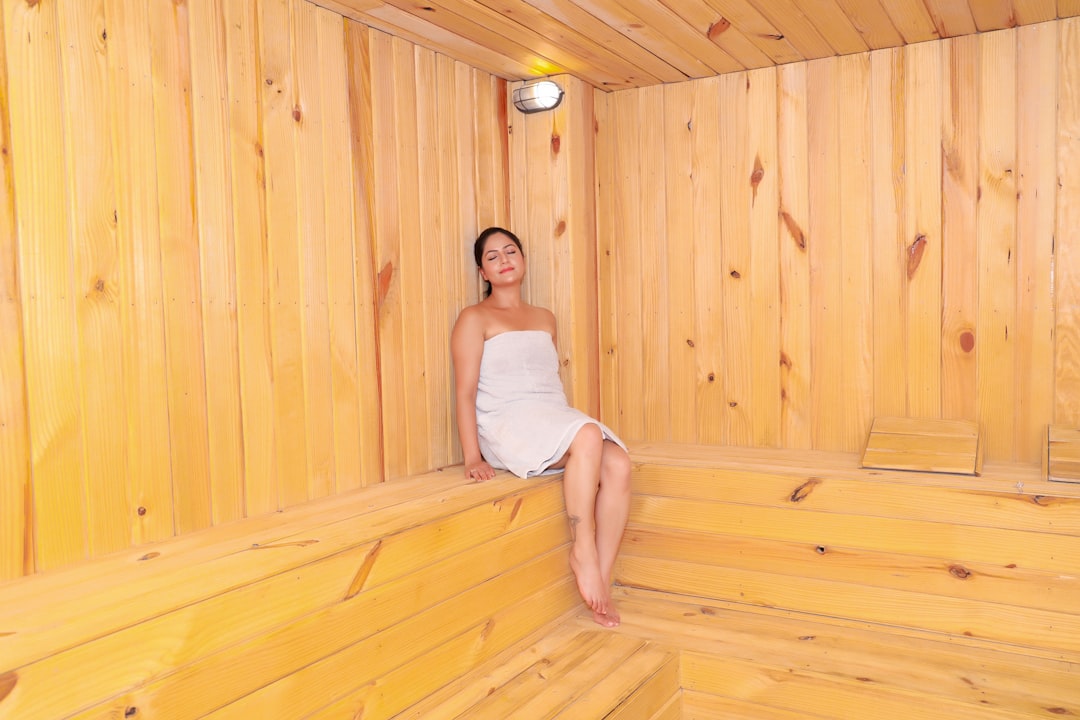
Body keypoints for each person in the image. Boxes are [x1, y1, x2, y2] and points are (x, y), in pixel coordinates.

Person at [451, 226, 631, 628]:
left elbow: (547, 383)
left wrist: (565, 424)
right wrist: (471, 457)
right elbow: (465, 392)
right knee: (587, 435)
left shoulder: (545, 318)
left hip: (549, 415)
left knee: (619, 464)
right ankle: (582, 550)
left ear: (524, 260)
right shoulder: (474, 318)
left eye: (510, 251)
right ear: (483, 272)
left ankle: (601, 580)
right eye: (492, 256)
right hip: (507, 422)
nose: (503, 260)